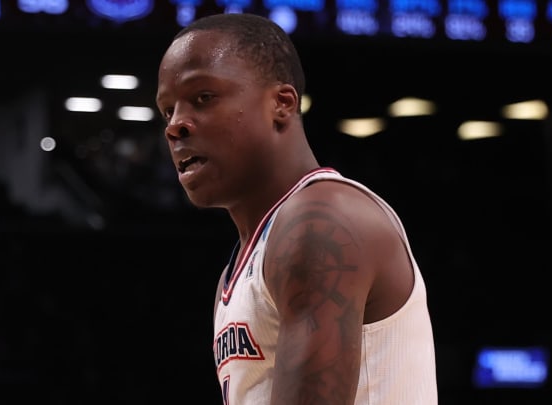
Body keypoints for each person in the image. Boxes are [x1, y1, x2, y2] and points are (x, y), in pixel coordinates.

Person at [155, 12, 438, 405]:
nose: (175, 126)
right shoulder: (248, 259)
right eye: (167, 111)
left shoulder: (321, 221)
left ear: (282, 104)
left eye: (203, 97)